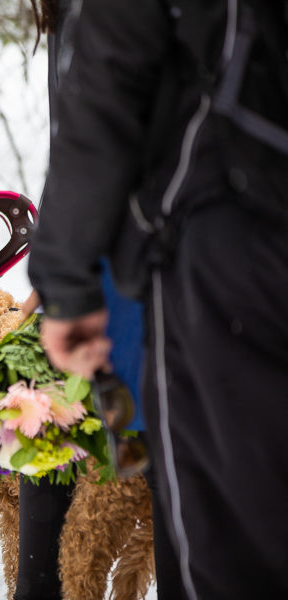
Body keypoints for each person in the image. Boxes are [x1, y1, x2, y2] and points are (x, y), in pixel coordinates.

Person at [28, 2, 288, 599]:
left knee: (221, 522)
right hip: (187, 233)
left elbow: (105, 88)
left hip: (225, 236)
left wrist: (66, 276)